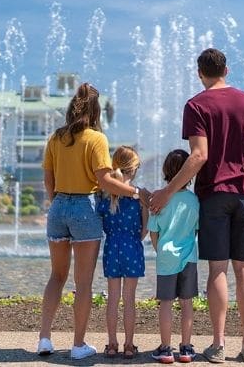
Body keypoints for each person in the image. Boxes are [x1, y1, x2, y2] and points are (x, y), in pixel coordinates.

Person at [150, 48, 244, 364]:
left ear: (200, 73)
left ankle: (218, 345)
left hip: (214, 194)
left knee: (218, 268)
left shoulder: (197, 105)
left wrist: (167, 192)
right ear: (226, 69)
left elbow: (199, 156)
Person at [37, 82, 146, 360]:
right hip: (85, 206)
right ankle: (77, 345)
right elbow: (105, 180)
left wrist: (57, 201)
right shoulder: (96, 139)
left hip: (59, 205)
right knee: (82, 282)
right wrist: (136, 191)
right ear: (96, 110)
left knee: (56, 276)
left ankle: (45, 339)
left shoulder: (55, 138)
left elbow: (48, 179)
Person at [148, 149, 200, 364]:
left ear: (165, 171)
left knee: (167, 304)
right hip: (189, 255)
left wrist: (159, 250)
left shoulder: (159, 198)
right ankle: (186, 348)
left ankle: (166, 349)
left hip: (166, 256)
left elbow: (153, 232)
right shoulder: (193, 200)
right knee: (187, 303)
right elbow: (196, 229)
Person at [96, 146, 148, 360]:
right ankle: (128, 345)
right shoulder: (139, 197)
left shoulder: (104, 196)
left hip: (111, 248)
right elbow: (144, 230)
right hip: (132, 248)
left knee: (112, 299)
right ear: (133, 170)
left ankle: (111, 344)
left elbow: (99, 221)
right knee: (129, 299)